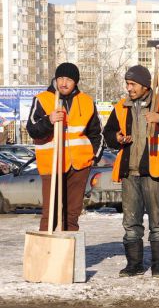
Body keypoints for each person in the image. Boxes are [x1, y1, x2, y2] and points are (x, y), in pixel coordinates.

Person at [103, 65, 159, 278]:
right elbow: (108, 132)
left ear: (145, 86)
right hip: (130, 172)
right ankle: (134, 264)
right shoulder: (121, 107)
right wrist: (117, 138)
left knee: (157, 220)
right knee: (130, 221)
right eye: (127, 84)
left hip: (153, 172)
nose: (129, 88)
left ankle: (158, 266)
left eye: (133, 84)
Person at [26, 62, 103, 232]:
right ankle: (47, 254)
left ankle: (69, 254)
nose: (63, 83)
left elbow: (97, 133)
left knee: (72, 215)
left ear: (75, 82)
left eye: (68, 79)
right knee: (50, 213)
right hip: (52, 165)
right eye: (60, 78)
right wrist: (49, 120)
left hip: (79, 166)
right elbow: (32, 130)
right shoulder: (43, 99)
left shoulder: (86, 101)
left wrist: (93, 157)